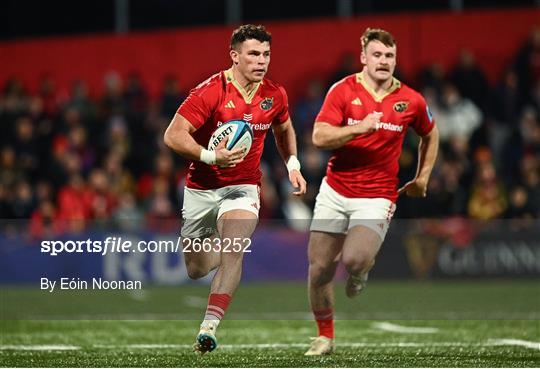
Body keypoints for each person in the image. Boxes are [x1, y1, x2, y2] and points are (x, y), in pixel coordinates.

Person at [163, 24, 306, 354]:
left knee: (235, 247)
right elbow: (173, 135)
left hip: (243, 186)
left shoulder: (275, 94)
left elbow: (283, 129)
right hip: (202, 187)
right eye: (254, 54)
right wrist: (212, 156)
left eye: (266, 54)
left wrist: (293, 165)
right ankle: (216, 240)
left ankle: (209, 326)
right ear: (235, 56)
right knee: (196, 268)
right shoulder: (210, 91)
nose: (262, 61)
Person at [305, 28, 439, 356]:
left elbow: (431, 134)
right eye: (377, 55)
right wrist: (358, 128)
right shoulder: (342, 90)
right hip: (335, 190)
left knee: (353, 259)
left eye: (389, 56)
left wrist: (423, 177)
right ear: (363, 58)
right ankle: (325, 336)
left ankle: (361, 270)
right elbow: (320, 137)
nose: (383, 61)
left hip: (377, 195)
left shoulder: (411, 100)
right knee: (320, 268)